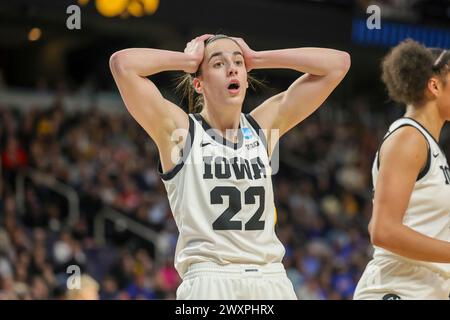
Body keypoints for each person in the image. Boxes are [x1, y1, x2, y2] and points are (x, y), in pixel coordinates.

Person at [110, 34, 350, 299]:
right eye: (218, 63)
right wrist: (188, 59)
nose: (232, 67)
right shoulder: (181, 132)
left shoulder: (262, 128)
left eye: (237, 62)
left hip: (271, 279)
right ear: (198, 84)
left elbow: (337, 64)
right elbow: (123, 64)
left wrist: (257, 57)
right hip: (210, 279)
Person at [354, 39, 450, 300]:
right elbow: (383, 230)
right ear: (434, 86)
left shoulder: (430, 145)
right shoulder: (408, 138)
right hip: (397, 290)